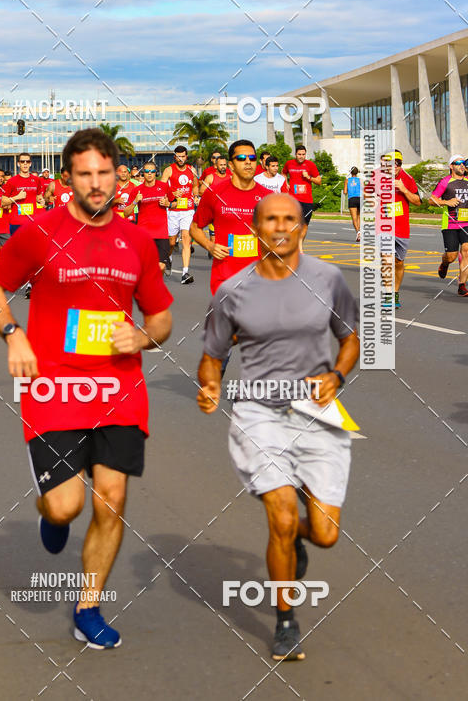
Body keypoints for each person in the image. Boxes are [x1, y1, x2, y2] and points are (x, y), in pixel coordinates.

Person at [0, 128, 173, 650]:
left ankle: (88, 607)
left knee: (112, 499)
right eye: (85, 174)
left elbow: (161, 316)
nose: (96, 183)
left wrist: (144, 337)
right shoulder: (39, 232)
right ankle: (51, 511)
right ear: (67, 178)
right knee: (66, 506)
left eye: (104, 173)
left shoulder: (137, 240)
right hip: (55, 388)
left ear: (118, 175)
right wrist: (13, 334)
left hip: (119, 385)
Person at [197, 192, 359, 662]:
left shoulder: (328, 279)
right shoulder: (232, 291)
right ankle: (286, 620)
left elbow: (350, 338)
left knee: (325, 533)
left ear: (302, 227)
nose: (282, 227)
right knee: (282, 517)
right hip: (259, 413)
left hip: (316, 412)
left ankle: (299, 541)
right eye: (271, 219)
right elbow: (212, 356)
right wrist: (210, 386)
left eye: (290, 219)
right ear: (255, 228)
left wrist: (337, 376)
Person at [190, 140, 272, 296]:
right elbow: (194, 228)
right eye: (241, 158)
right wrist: (210, 246)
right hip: (225, 280)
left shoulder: (269, 197)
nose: (248, 162)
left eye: (252, 158)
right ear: (231, 165)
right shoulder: (215, 194)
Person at [383, 151, 420, 309]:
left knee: (398, 262)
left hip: (402, 228)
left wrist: (404, 189)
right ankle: (388, 295)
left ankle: (395, 293)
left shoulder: (408, 179)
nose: (395, 166)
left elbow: (418, 201)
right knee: (386, 259)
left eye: (398, 163)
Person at [4, 153, 44, 298]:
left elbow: (39, 197)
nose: (25, 164)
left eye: (27, 161)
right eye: (22, 161)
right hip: (17, 222)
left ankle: (30, 284)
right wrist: (17, 197)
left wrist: (41, 201)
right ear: (18, 164)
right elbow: (3, 202)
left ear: (31, 163)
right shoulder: (12, 181)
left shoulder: (36, 180)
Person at [429, 155, 468, 294]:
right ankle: (444, 263)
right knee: (451, 256)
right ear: (451, 166)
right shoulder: (445, 182)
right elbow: (432, 200)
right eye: (458, 163)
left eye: (463, 163)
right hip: (450, 224)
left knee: (466, 250)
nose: (462, 165)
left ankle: (462, 285)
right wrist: (447, 202)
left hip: (466, 223)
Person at [161, 146, 199, 284]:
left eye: (183, 156)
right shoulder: (169, 170)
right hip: (173, 210)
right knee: (171, 242)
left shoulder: (192, 170)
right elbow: (161, 187)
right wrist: (172, 193)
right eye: (178, 156)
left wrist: (196, 196)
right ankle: (168, 258)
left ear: (186, 157)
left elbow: (195, 186)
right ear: (175, 157)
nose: (181, 159)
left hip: (188, 210)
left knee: (186, 239)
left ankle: (185, 273)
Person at [133, 162, 171, 271]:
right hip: (144, 234)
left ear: (156, 173)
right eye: (147, 171)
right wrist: (135, 201)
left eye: (152, 171)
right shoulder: (137, 190)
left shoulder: (164, 187)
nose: (149, 173)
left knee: (161, 266)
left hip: (161, 233)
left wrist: (168, 204)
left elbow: (175, 203)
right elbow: (126, 212)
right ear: (143, 173)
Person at [282, 145, 321, 247]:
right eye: (299, 154)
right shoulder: (289, 163)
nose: (301, 156)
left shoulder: (310, 165)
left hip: (307, 200)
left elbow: (319, 181)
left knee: (304, 226)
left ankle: (299, 247)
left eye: (303, 154)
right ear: (295, 154)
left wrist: (309, 177)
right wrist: (285, 183)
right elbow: (283, 173)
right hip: (293, 199)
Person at [344, 167, 362, 242]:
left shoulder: (347, 180)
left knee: (354, 218)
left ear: (351, 172)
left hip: (352, 199)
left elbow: (345, 192)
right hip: (360, 198)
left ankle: (358, 232)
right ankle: (359, 231)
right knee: (358, 216)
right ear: (357, 173)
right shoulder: (360, 180)